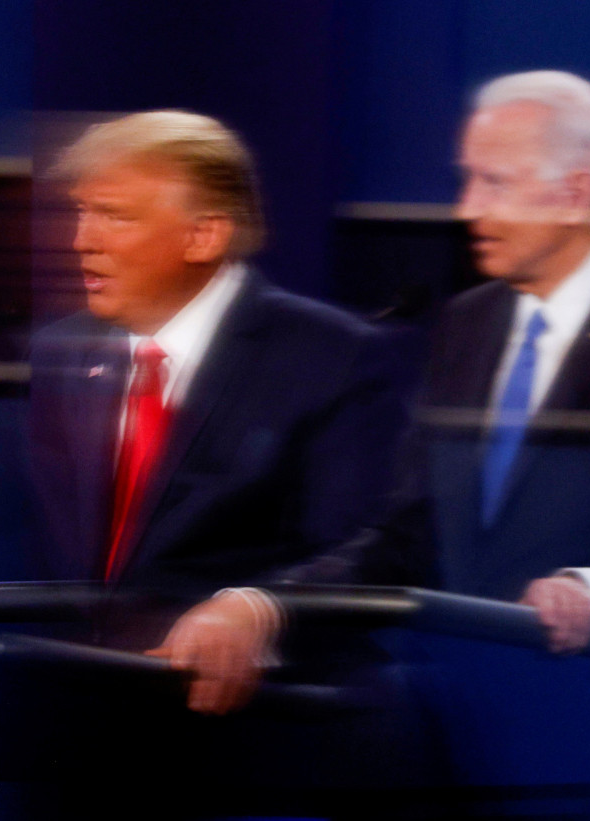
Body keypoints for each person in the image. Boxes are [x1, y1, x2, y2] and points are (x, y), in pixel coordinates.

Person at [170, 71, 590, 731]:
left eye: (493, 182)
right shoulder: (463, 327)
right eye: (466, 179)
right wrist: (264, 604)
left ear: (576, 192)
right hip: (460, 738)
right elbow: (404, 535)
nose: (467, 208)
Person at [23, 109, 405, 709]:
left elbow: (375, 545)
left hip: (252, 718)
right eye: (81, 211)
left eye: (114, 215)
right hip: (74, 714)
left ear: (204, 235)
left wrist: (259, 609)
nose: (82, 241)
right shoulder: (60, 354)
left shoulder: (333, 356)